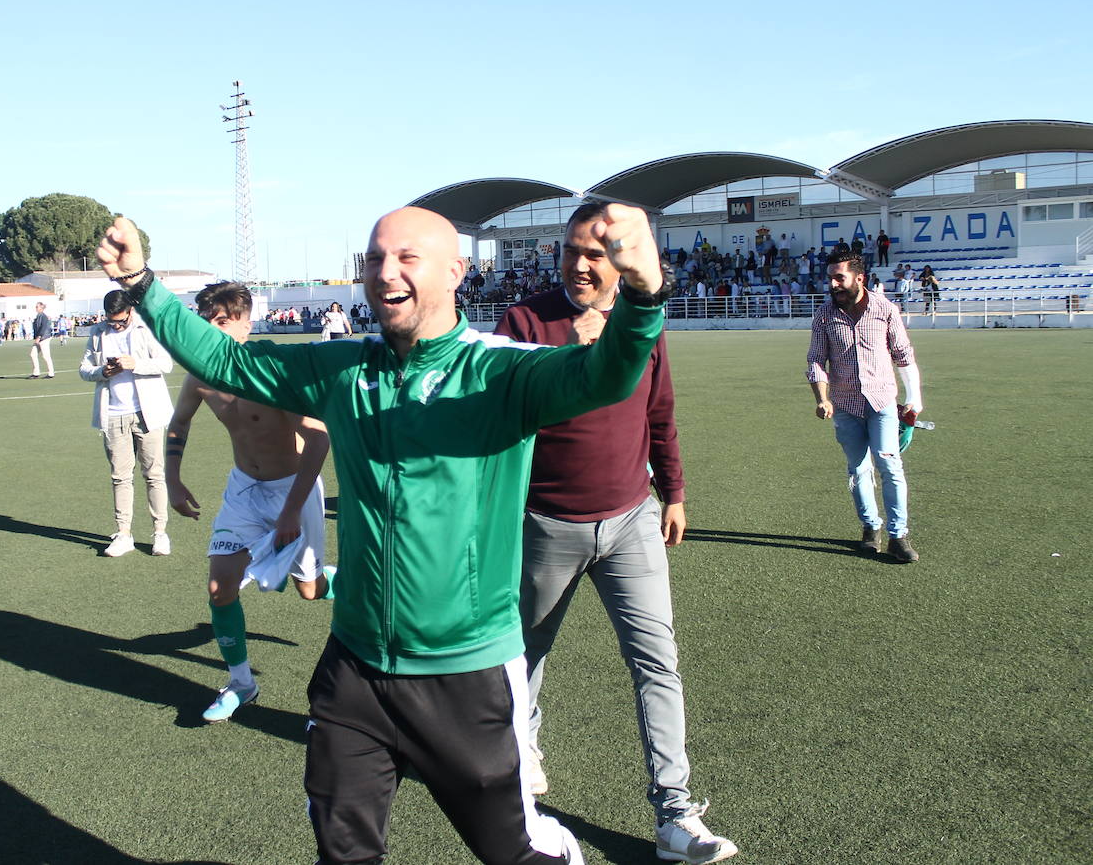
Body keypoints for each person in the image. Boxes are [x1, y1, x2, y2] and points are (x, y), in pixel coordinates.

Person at [99, 202, 672, 865]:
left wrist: (642, 294)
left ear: (456, 271)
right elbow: (225, 361)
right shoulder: (342, 368)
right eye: (374, 258)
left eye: (406, 257)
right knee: (342, 852)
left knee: (514, 853)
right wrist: (141, 282)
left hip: (467, 672)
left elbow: (607, 375)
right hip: (355, 669)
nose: (384, 271)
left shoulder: (502, 372)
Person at [494, 203, 737, 865]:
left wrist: (674, 492)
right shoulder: (524, 322)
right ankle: (521, 758)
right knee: (524, 656)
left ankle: (674, 814)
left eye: (593, 254)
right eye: (570, 251)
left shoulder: (642, 319)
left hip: (632, 522)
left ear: (620, 261)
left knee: (657, 662)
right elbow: (500, 409)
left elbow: (660, 411)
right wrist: (567, 360)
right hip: (545, 525)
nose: (578, 265)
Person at [165, 281, 334, 723]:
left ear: (246, 323)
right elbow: (178, 423)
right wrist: (172, 480)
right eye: (206, 321)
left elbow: (318, 439)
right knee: (219, 589)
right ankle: (242, 683)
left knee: (309, 591)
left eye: (223, 320)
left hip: (293, 489)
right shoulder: (200, 375)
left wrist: (291, 509)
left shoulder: (272, 371)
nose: (212, 329)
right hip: (243, 490)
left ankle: (329, 578)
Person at [807, 250, 922, 563]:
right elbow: (816, 360)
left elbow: (903, 355)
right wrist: (822, 398)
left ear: (859, 278)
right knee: (858, 469)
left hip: (882, 402)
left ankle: (898, 535)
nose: (833, 284)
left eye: (839, 277)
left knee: (890, 465)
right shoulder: (824, 314)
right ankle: (871, 528)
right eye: (830, 278)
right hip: (845, 405)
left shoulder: (885, 309)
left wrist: (914, 398)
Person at [79, 290, 175, 559]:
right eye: (111, 321)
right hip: (112, 414)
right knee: (120, 477)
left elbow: (166, 363)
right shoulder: (98, 333)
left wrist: (136, 364)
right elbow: (84, 369)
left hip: (147, 413)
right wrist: (102, 372)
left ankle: (160, 532)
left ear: (131, 311)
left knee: (154, 475)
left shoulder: (146, 328)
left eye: (121, 321)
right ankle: (124, 534)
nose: (116, 326)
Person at [29, 302, 55, 378]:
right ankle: (36, 372)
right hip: (39, 338)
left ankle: (51, 373)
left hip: (44, 338)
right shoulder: (38, 316)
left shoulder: (44, 316)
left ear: (41, 308)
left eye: (37, 307)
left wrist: (39, 337)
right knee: (33, 354)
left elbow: (43, 327)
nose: (36, 308)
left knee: (46, 356)